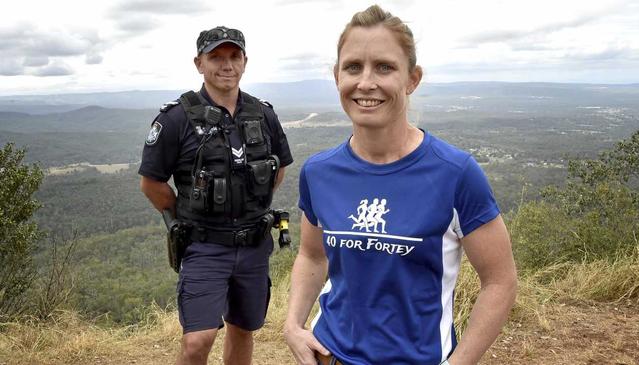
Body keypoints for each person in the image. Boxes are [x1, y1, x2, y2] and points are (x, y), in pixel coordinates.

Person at [284, 5, 516, 365]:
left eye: (384, 67)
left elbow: (500, 281)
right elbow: (312, 255)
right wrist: (292, 326)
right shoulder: (318, 172)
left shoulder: (455, 174)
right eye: (353, 67)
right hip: (331, 355)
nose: (365, 83)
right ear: (336, 76)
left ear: (412, 79)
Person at [138, 25, 293, 365]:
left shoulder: (263, 114)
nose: (226, 65)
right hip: (205, 245)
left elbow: (278, 168)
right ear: (199, 63)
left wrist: (249, 201)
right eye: (216, 57)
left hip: (253, 243)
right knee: (197, 340)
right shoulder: (177, 118)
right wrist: (186, 214)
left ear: (244, 61)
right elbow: (151, 182)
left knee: (242, 328)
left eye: (234, 57)